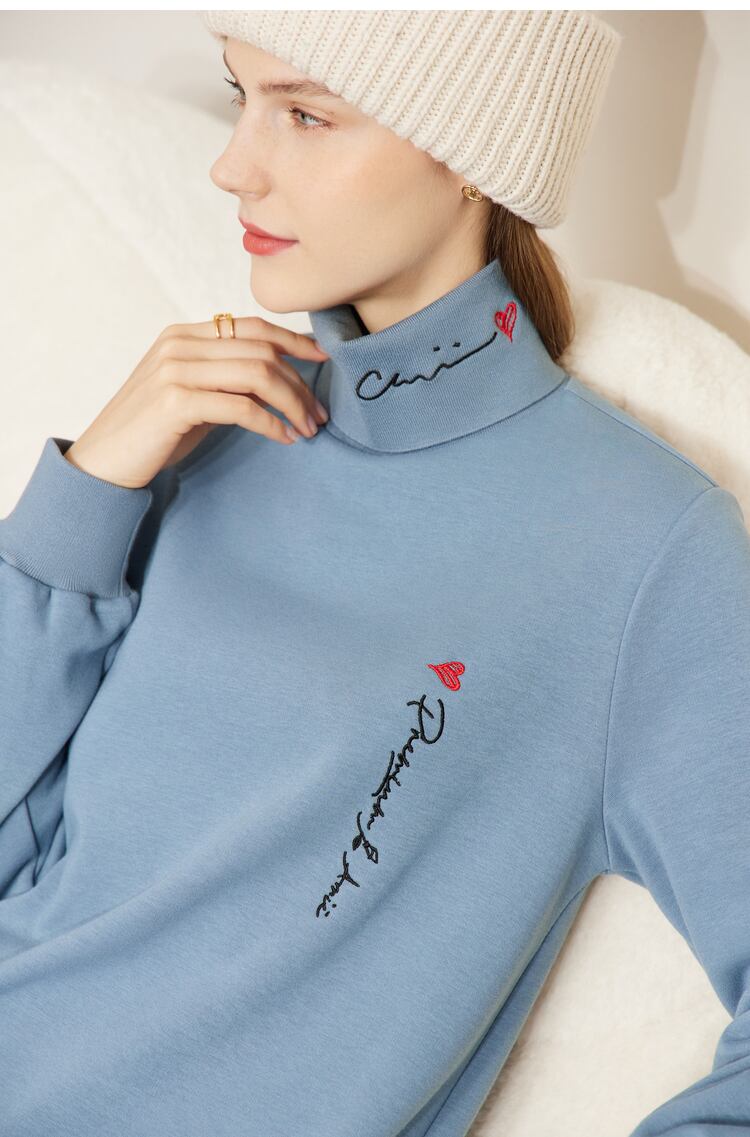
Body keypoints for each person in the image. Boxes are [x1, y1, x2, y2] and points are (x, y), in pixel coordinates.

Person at [1, 9, 748, 1136]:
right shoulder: (204, 429)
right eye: (240, 96)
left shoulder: (642, 549)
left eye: (305, 114)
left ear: (472, 154)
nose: (233, 165)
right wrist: (86, 494)